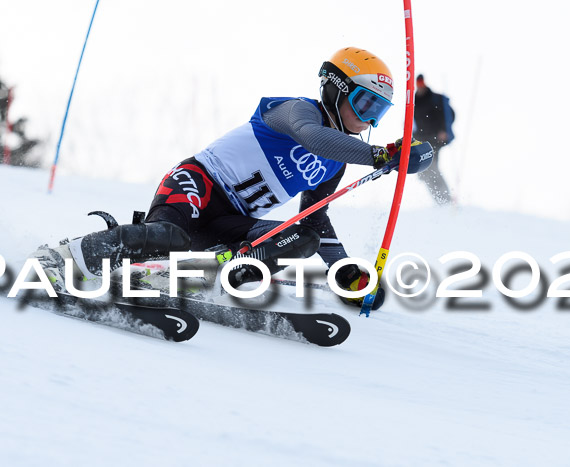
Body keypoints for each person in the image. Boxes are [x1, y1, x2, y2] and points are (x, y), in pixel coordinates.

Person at [38, 47, 433, 311]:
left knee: (303, 238)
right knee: (169, 237)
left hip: (230, 219)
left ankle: (216, 274)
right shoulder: (293, 110)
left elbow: (313, 219)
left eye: (378, 113)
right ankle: (64, 257)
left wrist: (345, 272)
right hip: (199, 184)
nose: (368, 120)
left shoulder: (336, 162)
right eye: (365, 104)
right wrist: (382, 155)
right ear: (336, 90)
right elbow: (312, 137)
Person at [413, 74, 455, 205]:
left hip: (435, 139)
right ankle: (440, 199)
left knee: (431, 168)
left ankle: (445, 199)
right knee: (423, 172)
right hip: (421, 140)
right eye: (418, 84)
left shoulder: (435, 99)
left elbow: (450, 115)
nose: (420, 86)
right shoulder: (415, 100)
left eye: (422, 83)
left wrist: (444, 130)